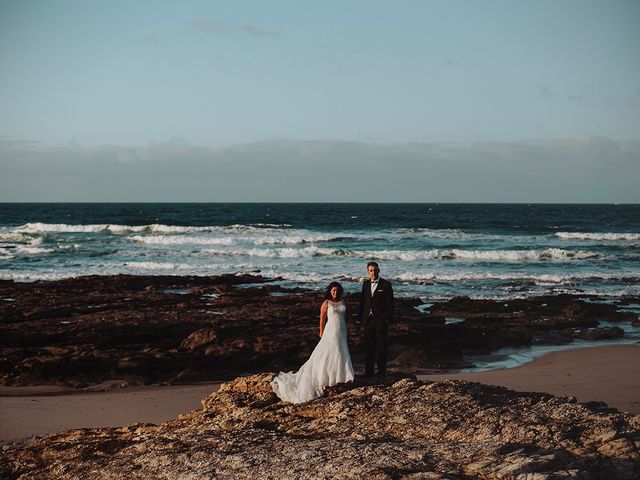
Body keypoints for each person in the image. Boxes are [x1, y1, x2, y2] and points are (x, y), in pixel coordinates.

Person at [271, 281, 354, 403]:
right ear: (330, 291)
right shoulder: (326, 303)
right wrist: (321, 332)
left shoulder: (343, 302)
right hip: (330, 330)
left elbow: (347, 316)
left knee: (341, 351)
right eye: (333, 290)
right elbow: (322, 319)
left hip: (342, 330)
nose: (335, 292)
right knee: (329, 351)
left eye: (337, 290)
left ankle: (339, 375)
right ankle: (326, 377)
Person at [358, 261, 394, 377]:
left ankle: (381, 371)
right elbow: (363, 303)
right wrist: (361, 320)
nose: (373, 272)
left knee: (381, 346)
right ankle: (369, 372)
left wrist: (386, 318)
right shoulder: (366, 284)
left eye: (375, 270)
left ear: (379, 270)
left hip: (381, 320)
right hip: (368, 321)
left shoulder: (386, 285)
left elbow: (391, 304)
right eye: (371, 270)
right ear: (368, 272)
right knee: (369, 346)